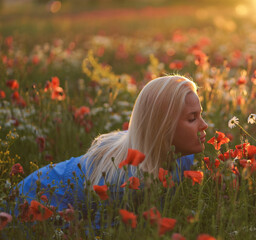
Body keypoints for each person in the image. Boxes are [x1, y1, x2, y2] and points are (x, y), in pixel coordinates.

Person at [15, 75, 208, 214]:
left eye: (200, 114)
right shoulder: (125, 183)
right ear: (162, 128)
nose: (204, 125)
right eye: (192, 118)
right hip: (34, 200)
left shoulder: (183, 157)